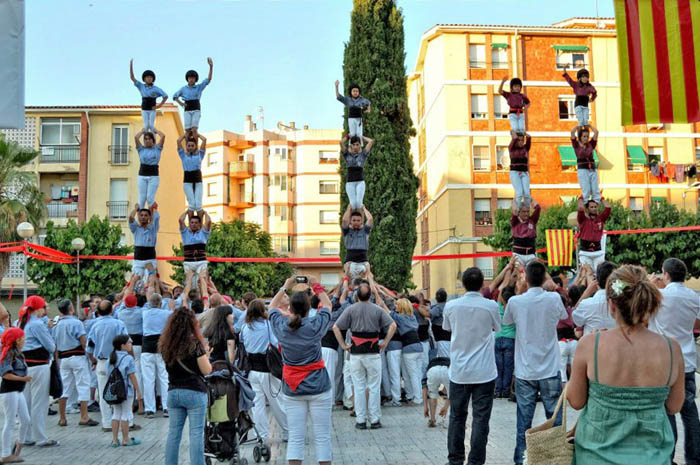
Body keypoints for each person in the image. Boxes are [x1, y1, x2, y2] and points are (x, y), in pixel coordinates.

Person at [567, 265, 685, 464]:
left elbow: (576, 401)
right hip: (652, 456)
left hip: (595, 456)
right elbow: (673, 406)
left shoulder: (591, 345)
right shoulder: (671, 349)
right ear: (647, 302)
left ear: (612, 305)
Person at [503, 261, 569, 465]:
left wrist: (522, 287)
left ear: (527, 278)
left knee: (524, 420)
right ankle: (557, 458)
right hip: (549, 367)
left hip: (525, 370)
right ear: (544, 278)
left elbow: (507, 322)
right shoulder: (553, 298)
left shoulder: (515, 302)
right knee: (554, 418)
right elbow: (564, 315)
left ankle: (521, 460)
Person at [269, 276, 334, 465]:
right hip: (319, 386)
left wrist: (286, 286)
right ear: (309, 309)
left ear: (290, 309)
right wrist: (315, 283)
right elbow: (328, 305)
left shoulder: (282, 327)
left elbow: (271, 308)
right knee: (322, 437)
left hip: (292, 386)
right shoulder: (314, 325)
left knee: (296, 437)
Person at [443, 267, 501, 465]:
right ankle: (476, 461)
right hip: (484, 370)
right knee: (481, 419)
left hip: (459, 370)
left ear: (464, 283)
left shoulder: (451, 306)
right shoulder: (491, 306)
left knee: (457, 417)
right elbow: (497, 328)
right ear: (482, 284)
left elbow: (447, 328)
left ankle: (455, 460)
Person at [649, 258, 700, 464]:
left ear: (666, 274)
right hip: (686, 359)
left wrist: (652, 285)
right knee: (690, 414)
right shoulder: (693, 296)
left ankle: (668, 458)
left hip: (663, 361)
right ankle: (694, 458)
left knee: (667, 412)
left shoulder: (659, 295)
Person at [333, 280, 397, 430]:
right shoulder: (377, 309)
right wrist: (385, 342)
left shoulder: (350, 309)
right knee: (374, 387)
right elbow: (393, 325)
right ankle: (375, 419)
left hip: (355, 353)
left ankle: (360, 420)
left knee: (359, 386)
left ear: (356, 296)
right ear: (371, 295)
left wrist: (343, 345)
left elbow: (336, 327)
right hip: (374, 352)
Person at [160, 309, 212, 465]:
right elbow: (207, 370)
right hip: (194, 391)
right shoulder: (194, 344)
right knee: (196, 433)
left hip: (173, 391)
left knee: (173, 433)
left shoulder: (166, 345)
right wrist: (207, 355)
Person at [238, 298, 288, 443]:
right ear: (262, 311)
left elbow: (243, 344)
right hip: (268, 368)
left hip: (252, 370)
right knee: (277, 402)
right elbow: (275, 342)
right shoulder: (268, 326)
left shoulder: (244, 328)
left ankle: (262, 434)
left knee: (257, 404)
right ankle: (287, 431)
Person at [18, 296, 58, 447]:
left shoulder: (21, 323)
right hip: (39, 366)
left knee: (26, 402)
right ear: (38, 308)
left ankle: (26, 436)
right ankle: (40, 437)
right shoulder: (37, 324)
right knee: (39, 403)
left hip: (24, 366)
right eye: (44, 307)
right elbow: (51, 346)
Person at [54, 300, 98, 427]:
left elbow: (55, 346)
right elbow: (84, 342)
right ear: (71, 308)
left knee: (65, 387)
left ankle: (62, 418)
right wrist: (91, 358)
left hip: (64, 358)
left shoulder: (57, 325)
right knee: (83, 384)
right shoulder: (76, 322)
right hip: (77, 356)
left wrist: (57, 362)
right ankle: (84, 416)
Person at [87, 300, 128, 432]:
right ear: (112, 310)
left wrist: (93, 361)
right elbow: (126, 343)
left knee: (104, 391)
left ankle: (107, 423)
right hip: (117, 360)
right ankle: (124, 422)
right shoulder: (119, 324)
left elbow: (89, 347)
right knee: (121, 390)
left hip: (101, 361)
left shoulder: (94, 325)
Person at [0, 328, 31, 463]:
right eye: (22, 338)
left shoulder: (18, 353)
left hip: (17, 391)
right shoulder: (8, 354)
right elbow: (5, 374)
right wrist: (23, 379)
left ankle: (18, 447)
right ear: (17, 340)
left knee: (26, 420)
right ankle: (6, 453)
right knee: (10, 421)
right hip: (9, 391)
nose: (24, 340)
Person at [106, 335, 141, 447]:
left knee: (116, 414)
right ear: (123, 346)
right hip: (126, 390)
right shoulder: (128, 358)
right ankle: (126, 439)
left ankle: (115, 440)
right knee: (126, 413)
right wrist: (138, 390)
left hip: (114, 390)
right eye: (129, 342)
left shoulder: (111, 357)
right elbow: (132, 375)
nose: (131, 344)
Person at [141, 293, 172, 418]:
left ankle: (150, 409)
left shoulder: (144, 313)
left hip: (147, 347)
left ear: (150, 303)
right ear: (160, 303)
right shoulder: (166, 313)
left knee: (148, 380)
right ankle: (166, 407)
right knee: (164, 378)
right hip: (161, 347)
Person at [391, 298, 424, 406]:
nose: (395, 306)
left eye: (397, 305)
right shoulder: (412, 317)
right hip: (418, 346)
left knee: (412, 374)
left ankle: (418, 399)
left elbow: (387, 311)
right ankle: (411, 396)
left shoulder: (399, 318)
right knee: (412, 374)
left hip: (409, 348)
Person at [116, 293, 144, 414]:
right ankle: (140, 402)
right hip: (138, 343)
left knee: (126, 374)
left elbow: (122, 304)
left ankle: (132, 401)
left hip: (125, 345)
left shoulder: (120, 313)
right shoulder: (141, 312)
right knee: (138, 374)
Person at [573, 261, 617, 336]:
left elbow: (576, 319)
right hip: (616, 345)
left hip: (592, 345)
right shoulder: (623, 302)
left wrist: (586, 293)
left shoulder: (585, 304)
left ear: (597, 280)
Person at [173, 57, 213, 138]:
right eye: (190, 78)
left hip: (196, 108)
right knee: (187, 130)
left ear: (195, 79)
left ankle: (195, 147)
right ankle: (188, 149)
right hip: (187, 108)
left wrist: (211, 67)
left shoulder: (199, 87)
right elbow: (174, 96)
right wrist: (181, 103)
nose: (191, 79)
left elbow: (208, 80)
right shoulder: (183, 89)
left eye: (193, 78)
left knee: (194, 129)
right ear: (187, 79)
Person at [494, 272, 517, 399]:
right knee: (508, 367)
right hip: (510, 339)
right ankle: (506, 391)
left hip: (497, 338)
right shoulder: (514, 308)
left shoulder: (497, 307)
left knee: (499, 367)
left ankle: (498, 391)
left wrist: (509, 271)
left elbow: (500, 291)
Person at [129, 59, 168, 133]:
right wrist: (131, 66)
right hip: (144, 109)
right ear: (144, 79)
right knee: (146, 126)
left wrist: (158, 106)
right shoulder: (141, 86)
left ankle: (153, 141)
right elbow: (132, 78)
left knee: (152, 126)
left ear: (153, 79)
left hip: (152, 109)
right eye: (147, 77)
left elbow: (165, 96)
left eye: (150, 77)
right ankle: (146, 142)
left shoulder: (156, 89)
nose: (149, 78)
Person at [340, 134, 374, 211]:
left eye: (357, 144)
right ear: (351, 145)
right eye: (353, 144)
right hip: (350, 183)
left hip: (360, 182)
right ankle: (350, 221)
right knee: (352, 204)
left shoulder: (363, 155)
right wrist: (348, 136)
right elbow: (341, 142)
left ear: (360, 145)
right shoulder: (347, 155)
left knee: (359, 203)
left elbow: (371, 141)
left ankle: (361, 221)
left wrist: (361, 136)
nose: (355, 146)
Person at [176, 132, 206, 216]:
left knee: (198, 205)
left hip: (198, 180)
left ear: (195, 146)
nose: (190, 147)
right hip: (187, 181)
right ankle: (191, 224)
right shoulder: (183, 155)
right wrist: (185, 134)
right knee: (192, 204)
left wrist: (197, 135)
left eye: (192, 146)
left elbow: (204, 140)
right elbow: (178, 141)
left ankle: (199, 224)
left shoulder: (200, 154)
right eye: (188, 146)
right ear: (186, 147)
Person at [577, 197, 610, 272]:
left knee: (600, 274)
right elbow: (580, 208)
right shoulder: (582, 219)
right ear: (587, 209)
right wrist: (582, 197)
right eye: (591, 207)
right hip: (585, 253)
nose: (594, 208)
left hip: (598, 252)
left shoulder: (601, 219)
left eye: (595, 207)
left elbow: (608, 208)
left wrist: (600, 197)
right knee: (587, 274)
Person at [128, 204, 159, 283]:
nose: (143, 217)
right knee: (134, 280)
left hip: (150, 259)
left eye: (146, 215)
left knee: (152, 282)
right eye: (141, 215)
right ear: (139, 217)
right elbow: (131, 218)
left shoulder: (153, 228)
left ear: (149, 217)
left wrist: (154, 208)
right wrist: (136, 209)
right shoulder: (136, 228)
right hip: (138, 259)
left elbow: (156, 217)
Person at [135, 128, 165, 209]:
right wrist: (142, 131)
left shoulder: (157, 148)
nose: (147, 140)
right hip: (142, 175)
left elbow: (163, 136)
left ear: (153, 140)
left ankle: (153, 216)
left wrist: (156, 131)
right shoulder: (141, 149)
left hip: (153, 176)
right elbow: (136, 138)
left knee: (150, 198)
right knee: (141, 199)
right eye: (145, 139)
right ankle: (140, 219)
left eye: (149, 139)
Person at [341, 205, 373, 279]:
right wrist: (348, 209)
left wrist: (364, 209)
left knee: (367, 278)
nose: (356, 222)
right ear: (351, 221)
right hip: (350, 258)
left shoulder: (365, 230)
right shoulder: (347, 231)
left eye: (358, 220)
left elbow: (370, 219)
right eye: (354, 220)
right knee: (347, 278)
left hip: (363, 259)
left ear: (361, 221)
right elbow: (344, 220)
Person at [179, 209, 212, 280]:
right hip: (189, 262)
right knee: (190, 284)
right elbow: (180, 220)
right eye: (192, 222)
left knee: (202, 282)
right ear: (189, 223)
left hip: (201, 262)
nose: (194, 224)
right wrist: (187, 211)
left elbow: (208, 221)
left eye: (196, 223)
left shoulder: (203, 233)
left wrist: (205, 212)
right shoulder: (185, 233)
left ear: (200, 224)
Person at [571, 124, 600, 203]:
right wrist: (578, 126)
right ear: (580, 137)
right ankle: (585, 207)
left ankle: (596, 206)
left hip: (592, 169)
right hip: (583, 170)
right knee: (586, 190)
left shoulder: (591, 144)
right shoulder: (576, 145)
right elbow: (572, 133)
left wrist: (590, 126)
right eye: (584, 136)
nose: (586, 138)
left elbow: (596, 132)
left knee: (595, 190)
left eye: (587, 136)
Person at [422, 355, 450, 428]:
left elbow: (424, 387)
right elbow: (453, 393)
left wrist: (425, 407)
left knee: (433, 395)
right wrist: (445, 407)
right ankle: (452, 419)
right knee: (452, 393)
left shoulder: (428, 366)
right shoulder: (450, 362)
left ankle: (432, 420)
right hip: (447, 369)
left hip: (433, 371)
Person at [510, 198, 540, 266]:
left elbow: (538, 208)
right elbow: (514, 209)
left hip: (531, 255)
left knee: (536, 272)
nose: (526, 214)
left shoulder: (532, 221)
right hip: (518, 255)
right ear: (519, 212)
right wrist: (516, 199)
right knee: (518, 273)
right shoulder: (515, 222)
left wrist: (530, 198)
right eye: (524, 211)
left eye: (528, 211)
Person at [508, 131, 532, 207]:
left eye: (522, 140)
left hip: (524, 173)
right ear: (515, 141)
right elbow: (514, 137)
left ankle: (526, 211)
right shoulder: (511, 148)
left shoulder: (526, 148)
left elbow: (529, 137)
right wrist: (513, 132)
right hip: (515, 172)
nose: (521, 142)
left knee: (527, 194)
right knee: (519, 193)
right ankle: (516, 211)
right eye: (519, 140)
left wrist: (523, 133)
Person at [430, 288, 451, 359]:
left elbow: (429, 314)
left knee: (444, 359)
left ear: (436, 298)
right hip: (449, 336)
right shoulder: (449, 306)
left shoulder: (438, 308)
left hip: (441, 337)